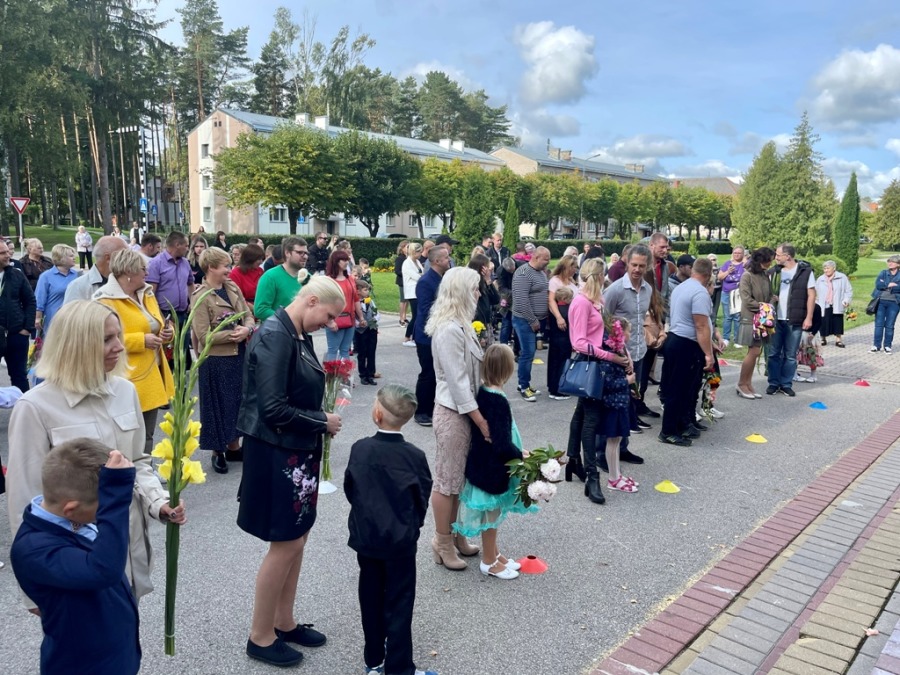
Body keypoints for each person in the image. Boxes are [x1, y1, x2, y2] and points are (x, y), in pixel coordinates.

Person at [7, 301, 185, 608]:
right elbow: (25, 500)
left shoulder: (125, 391)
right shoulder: (35, 407)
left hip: (127, 549)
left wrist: (159, 502)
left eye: (118, 336)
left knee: (125, 631)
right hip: (74, 560)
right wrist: (33, 592)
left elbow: (137, 461)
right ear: (75, 345)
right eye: (106, 339)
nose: (120, 347)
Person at [236, 276, 346, 668]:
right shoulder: (275, 335)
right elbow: (272, 409)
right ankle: (260, 636)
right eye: (328, 316)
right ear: (311, 300)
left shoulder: (296, 333)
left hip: (294, 452)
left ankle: (284, 621)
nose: (329, 324)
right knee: (285, 543)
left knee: (297, 538)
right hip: (275, 453)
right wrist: (322, 421)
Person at [10, 441, 140, 675]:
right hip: (82, 666)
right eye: (102, 510)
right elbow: (104, 570)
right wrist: (114, 497)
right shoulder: (33, 550)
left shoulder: (74, 520)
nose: (103, 517)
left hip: (114, 655)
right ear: (70, 509)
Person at [344, 385, 436, 675]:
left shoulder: (360, 449)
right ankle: (399, 666)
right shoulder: (414, 456)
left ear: (377, 414)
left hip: (367, 537)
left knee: (370, 596)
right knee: (400, 600)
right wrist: (412, 524)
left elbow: (351, 488)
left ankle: (373, 660)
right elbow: (422, 494)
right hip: (400, 540)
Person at [454, 344, 537, 580]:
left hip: (485, 464)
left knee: (493, 514)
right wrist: (520, 455)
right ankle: (489, 561)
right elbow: (500, 444)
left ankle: (495, 553)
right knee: (491, 516)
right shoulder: (497, 401)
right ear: (507, 370)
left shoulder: (485, 392)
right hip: (492, 468)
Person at [426, 267, 489, 570]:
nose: (478, 293)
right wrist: (482, 421)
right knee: (447, 481)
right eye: (475, 288)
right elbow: (458, 383)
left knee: (459, 481)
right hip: (453, 413)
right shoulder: (449, 330)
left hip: (465, 412)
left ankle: (455, 534)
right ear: (462, 291)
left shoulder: (461, 325)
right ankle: (441, 541)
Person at [565, 258, 633, 504]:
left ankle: (573, 461)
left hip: (600, 364)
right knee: (590, 421)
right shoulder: (581, 302)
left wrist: (623, 353)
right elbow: (579, 343)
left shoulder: (597, 301)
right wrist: (611, 356)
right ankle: (592, 476)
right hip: (591, 365)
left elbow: (607, 332)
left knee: (581, 415)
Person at [94, 249, 175, 453]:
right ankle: (126, 469)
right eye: (143, 269)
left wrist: (168, 333)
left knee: (146, 434)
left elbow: (157, 323)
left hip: (152, 374)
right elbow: (97, 339)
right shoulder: (104, 300)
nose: (147, 273)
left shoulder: (146, 293)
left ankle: (144, 469)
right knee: (125, 435)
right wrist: (141, 340)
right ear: (129, 271)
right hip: (126, 375)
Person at [190, 247, 254, 474]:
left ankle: (234, 447)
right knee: (216, 406)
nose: (230, 269)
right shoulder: (200, 296)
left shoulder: (232, 287)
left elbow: (247, 314)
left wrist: (247, 329)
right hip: (215, 361)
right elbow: (202, 335)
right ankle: (218, 451)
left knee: (237, 402)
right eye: (225, 266)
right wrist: (232, 335)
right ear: (211, 267)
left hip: (238, 355)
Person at [659, 258, 720, 445]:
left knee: (685, 388)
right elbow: (701, 326)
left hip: (675, 339)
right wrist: (708, 354)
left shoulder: (681, 287)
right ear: (708, 274)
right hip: (686, 343)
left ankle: (682, 423)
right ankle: (668, 430)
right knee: (679, 389)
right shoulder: (700, 293)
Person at [601, 244, 653, 456]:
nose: (637, 269)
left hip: (638, 352)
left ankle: (622, 448)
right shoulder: (615, 290)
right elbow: (603, 322)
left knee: (630, 402)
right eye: (634, 265)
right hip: (617, 356)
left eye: (642, 266)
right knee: (613, 406)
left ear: (647, 266)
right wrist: (615, 352)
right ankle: (603, 453)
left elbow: (641, 319)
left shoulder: (648, 289)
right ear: (627, 263)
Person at [766, 243, 815, 396]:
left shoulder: (805, 272)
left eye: (778, 254)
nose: (775, 257)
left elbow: (811, 295)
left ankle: (786, 384)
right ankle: (773, 383)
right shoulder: (774, 272)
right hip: (776, 320)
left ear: (787, 256)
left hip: (795, 319)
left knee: (790, 355)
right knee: (773, 353)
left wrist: (809, 317)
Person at [412, 245, 452, 427]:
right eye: (446, 257)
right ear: (436, 261)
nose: (449, 260)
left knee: (437, 374)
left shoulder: (442, 278)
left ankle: (433, 408)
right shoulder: (426, 282)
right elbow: (426, 309)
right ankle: (421, 411)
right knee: (428, 373)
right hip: (426, 336)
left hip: (439, 333)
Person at [735, 247, 776, 399]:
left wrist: (770, 302)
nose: (770, 263)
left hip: (763, 318)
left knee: (756, 351)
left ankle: (748, 383)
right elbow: (746, 300)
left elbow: (770, 295)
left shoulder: (764, 275)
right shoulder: (747, 276)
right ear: (761, 260)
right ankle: (741, 384)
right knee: (754, 351)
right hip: (750, 318)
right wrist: (765, 307)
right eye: (769, 260)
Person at [511, 246, 551, 401]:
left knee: (530, 353)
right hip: (524, 319)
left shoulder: (540, 273)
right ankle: (523, 386)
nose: (548, 262)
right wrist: (532, 320)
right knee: (527, 353)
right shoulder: (523, 273)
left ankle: (524, 383)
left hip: (537, 319)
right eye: (546, 259)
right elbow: (521, 300)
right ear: (536, 257)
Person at [0, 239, 36, 392]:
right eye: (2, 253)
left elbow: (30, 301)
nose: (8, 255)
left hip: (16, 334)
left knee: (19, 377)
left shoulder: (16, 274)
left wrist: (27, 328)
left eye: (8, 252)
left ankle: (24, 405)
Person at [255, 237, 311, 321]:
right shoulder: (270, 277)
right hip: (277, 328)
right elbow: (260, 310)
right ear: (287, 253)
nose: (305, 256)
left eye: (306, 253)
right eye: (300, 253)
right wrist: (289, 319)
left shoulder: (308, 277)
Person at [325, 249, 366, 360]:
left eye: (347, 260)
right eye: (343, 260)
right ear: (336, 261)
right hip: (334, 320)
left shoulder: (350, 279)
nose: (346, 262)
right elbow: (325, 304)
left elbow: (356, 299)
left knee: (345, 350)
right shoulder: (328, 280)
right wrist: (329, 321)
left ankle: (345, 372)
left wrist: (361, 317)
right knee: (333, 350)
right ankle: (331, 372)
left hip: (350, 319)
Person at [63, 236, 129, 303]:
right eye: (124, 254)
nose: (129, 258)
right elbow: (70, 310)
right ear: (108, 258)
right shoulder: (78, 287)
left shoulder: (129, 282)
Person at [34, 244, 79, 338]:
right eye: (71, 256)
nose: (74, 258)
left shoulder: (77, 275)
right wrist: (38, 318)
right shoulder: (46, 276)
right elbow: (39, 299)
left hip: (73, 318)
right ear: (61, 258)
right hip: (53, 318)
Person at [815, 260, 852, 348]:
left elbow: (848, 290)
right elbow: (815, 292)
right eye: (824, 268)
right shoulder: (820, 279)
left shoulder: (842, 277)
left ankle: (838, 340)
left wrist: (846, 300)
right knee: (823, 321)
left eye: (828, 268)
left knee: (837, 321)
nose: (826, 270)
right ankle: (823, 338)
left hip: (837, 302)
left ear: (834, 268)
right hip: (824, 304)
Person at [547, 287, 574, 401]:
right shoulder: (569, 310)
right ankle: (560, 390)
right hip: (565, 340)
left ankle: (552, 388)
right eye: (570, 298)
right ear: (565, 298)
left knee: (553, 363)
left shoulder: (554, 310)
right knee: (563, 364)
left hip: (554, 339)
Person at [718, 246, 746, 347]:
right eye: (735, 253)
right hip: (726, 293)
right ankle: (726, 338)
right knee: (727, 316)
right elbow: (719, 277)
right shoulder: (727, 264)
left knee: (737, 316)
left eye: (739, 253)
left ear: (743, 254)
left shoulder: (745, 265)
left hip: (739, 294)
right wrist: (728, 272)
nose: (736, 255)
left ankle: (737, 339)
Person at [871, 255, 900, 353]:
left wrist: (888, 286)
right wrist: (889, 285)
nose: (889, 263)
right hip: (881, 301)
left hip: (894, 303)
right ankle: (876, 345)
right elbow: (878, 285)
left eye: (892, 262)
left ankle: (887, 346)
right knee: (879, 324)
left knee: (889, 325)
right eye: (889, 261)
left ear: (898, 264)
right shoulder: (883, 273)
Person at [469, 253, 499, 347]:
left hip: (487, 323)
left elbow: (496, 299)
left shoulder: (485, 282)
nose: (490, 269)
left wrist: (488, 281)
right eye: (487, 267)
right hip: (479, 324)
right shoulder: (473, 284)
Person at [229, 243, 266, 315]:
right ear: (250, 259)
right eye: (259, 259)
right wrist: (255, 309)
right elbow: (236, 298)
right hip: (245, 311)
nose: (261, 262)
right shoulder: (235, 273)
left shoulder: (260, 271)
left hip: (261, 307)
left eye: (262, 259)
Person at [354, 280, 379, 385]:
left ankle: (370, 374)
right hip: (361, 331)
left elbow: (376, 312)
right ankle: (363, 375)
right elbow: (353, 317)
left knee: (371, 352)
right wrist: (358, 323)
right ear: (358, 291)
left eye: (368, 289)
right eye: (365, 290)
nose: (367, 291)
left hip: (372, 329)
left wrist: (375, 319)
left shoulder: (369, 301)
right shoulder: (354, 303)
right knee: (362, 353)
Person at [402, 243, 424, 346]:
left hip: (418, 291)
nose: (421, 254)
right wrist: (422, 276)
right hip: (412, 292)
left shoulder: (417, 262)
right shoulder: (407, 263)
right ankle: (407, 337)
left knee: (418, 315)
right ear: (414, 252)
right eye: (419, 252)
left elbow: (422, 273)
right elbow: (417, 276)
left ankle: (414, 337)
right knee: (415, 316)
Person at [394, 240, 409, 326]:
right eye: (407, 247)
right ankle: (401, 318)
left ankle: (405, 316)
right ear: (402, 248)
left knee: (407, 300)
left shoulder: (409, 258)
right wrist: (406, 273)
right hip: (402, 282)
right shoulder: (400, 258)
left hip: (408, 282)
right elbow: (397, 271)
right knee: (403, 300)